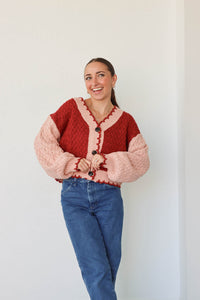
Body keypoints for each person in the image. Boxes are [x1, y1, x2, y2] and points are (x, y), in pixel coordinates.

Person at [34, 57, 150, 300]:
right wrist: (72, 162)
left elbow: (141, 161)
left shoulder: (126, 120)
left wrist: (108, 160)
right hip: (74, 196)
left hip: (109, 198)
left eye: (100, 75)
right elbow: (43, 142)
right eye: (88, 77)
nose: (94, 82)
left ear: (113, 79)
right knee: (95, 269)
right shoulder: (71, 108)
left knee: (108, 267)